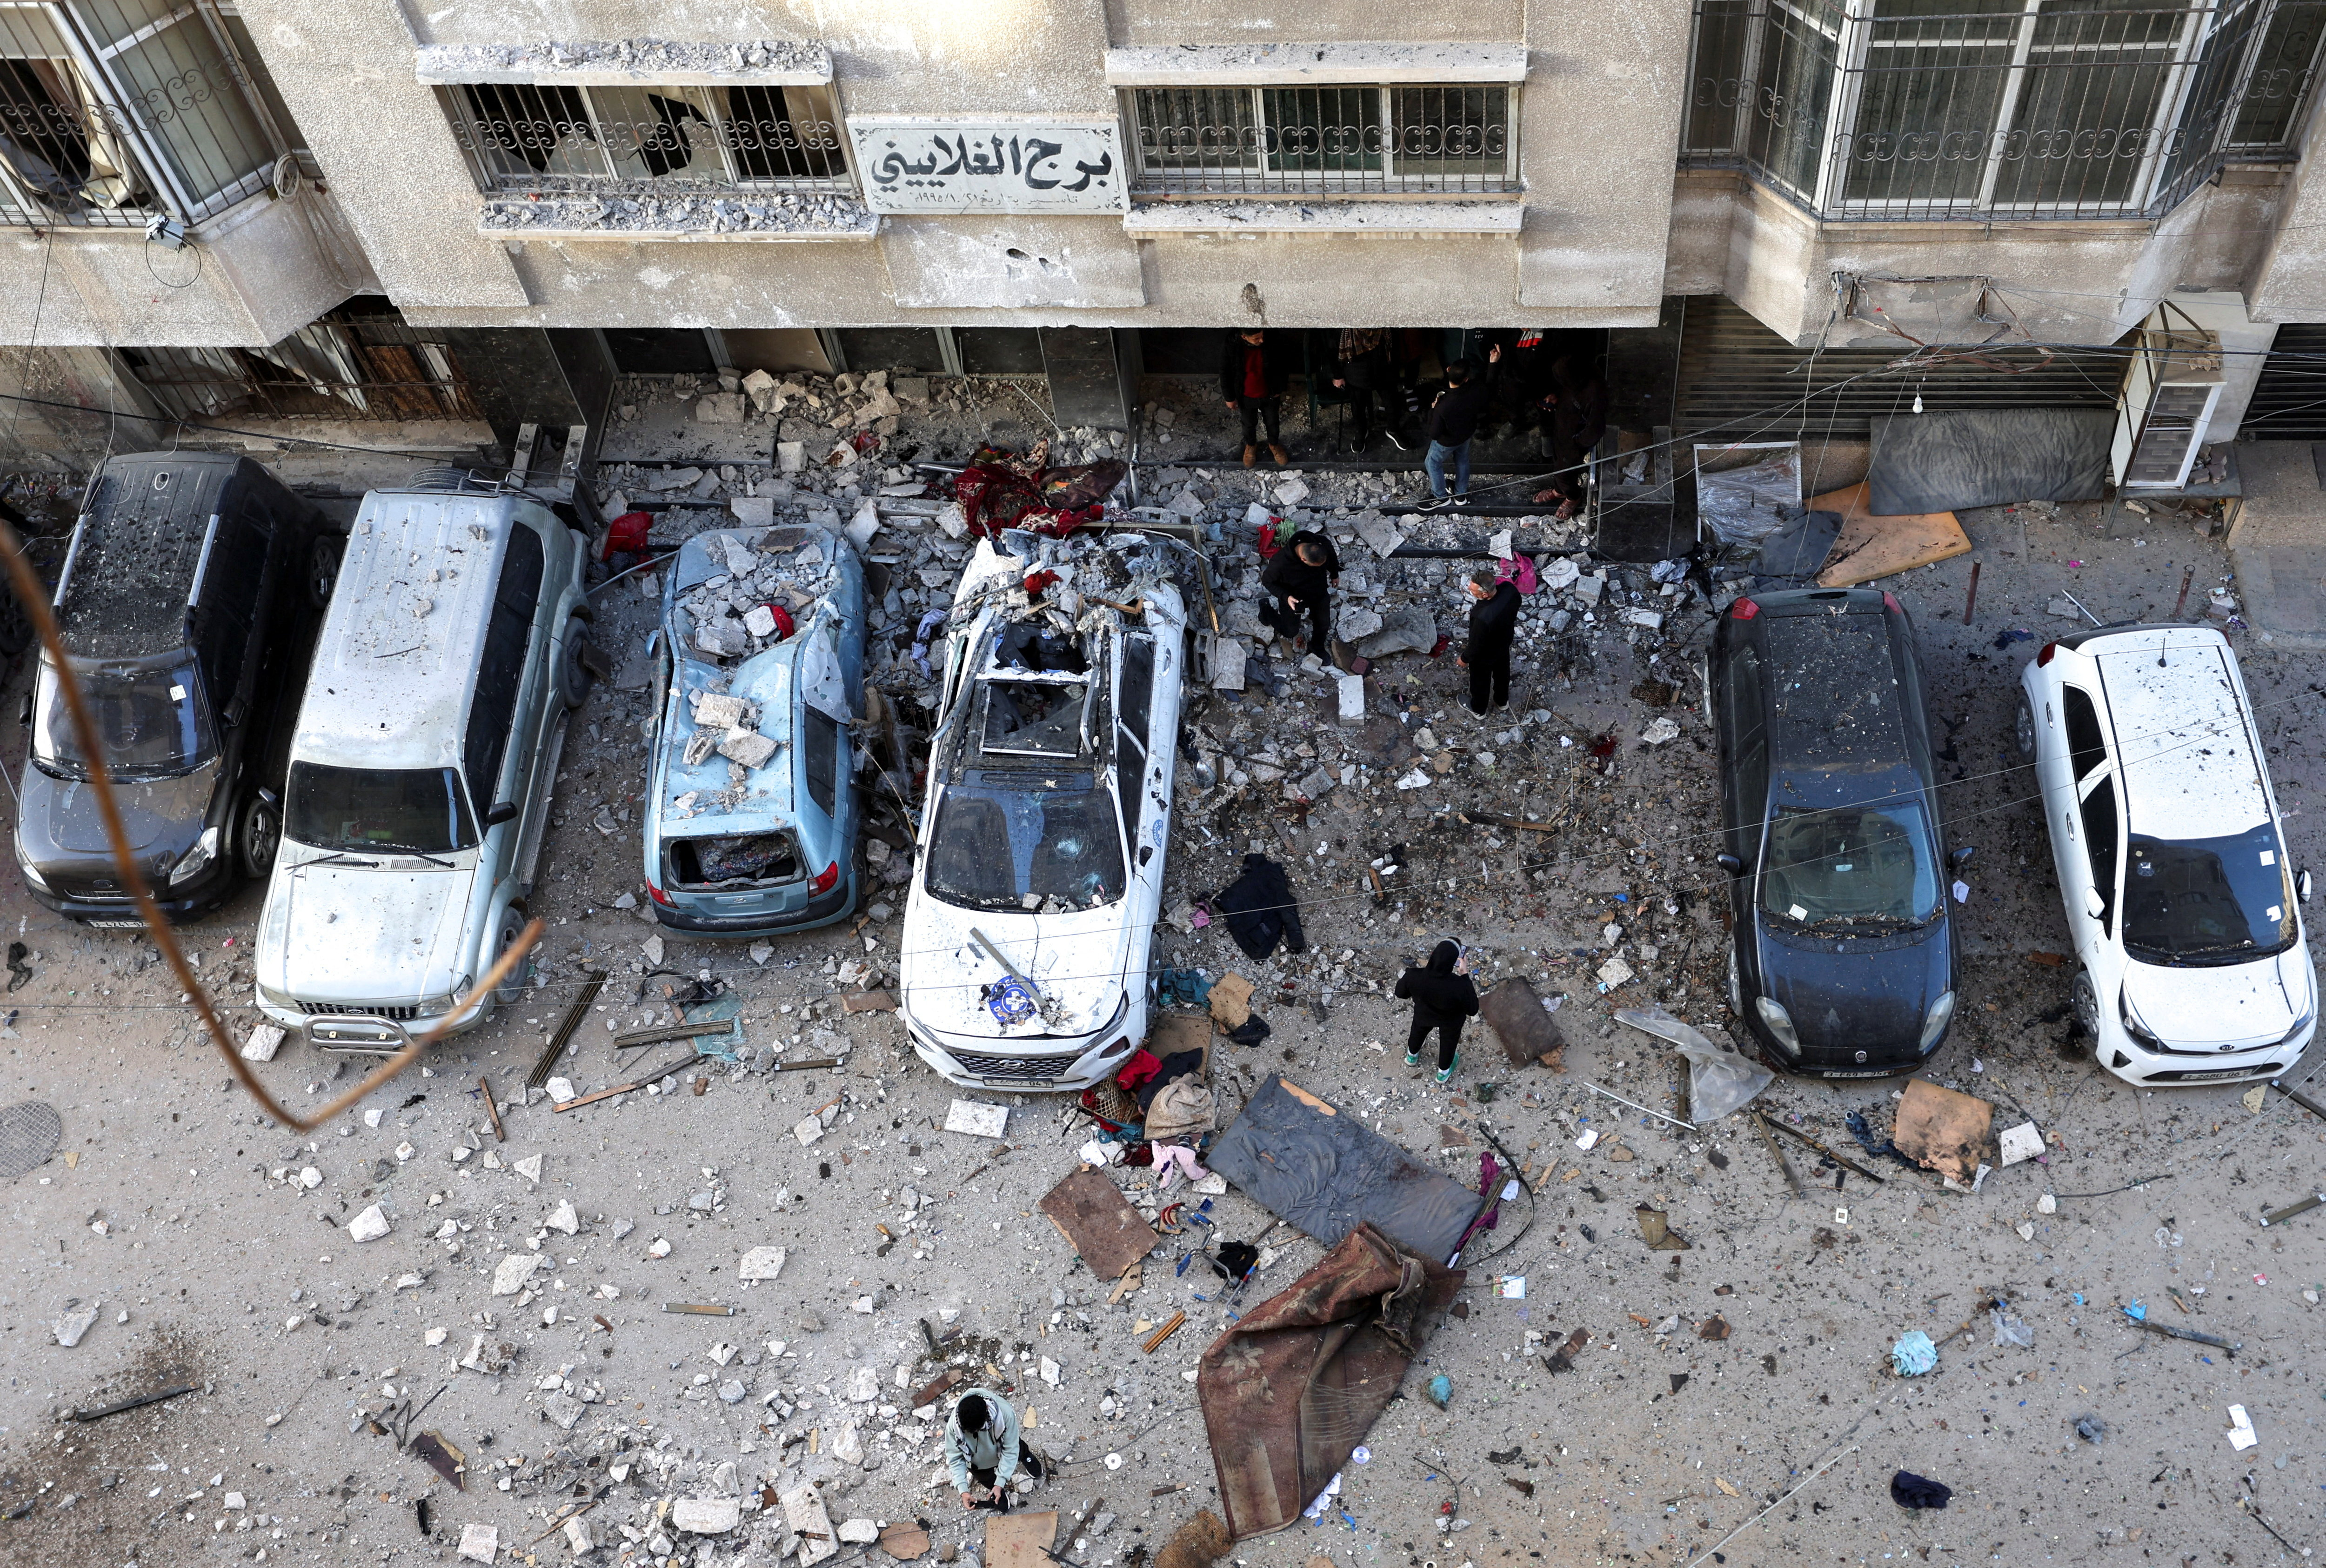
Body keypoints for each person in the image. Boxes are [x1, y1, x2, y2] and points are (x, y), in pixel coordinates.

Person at [1419, 344, 1500, 511]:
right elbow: (1490, 386)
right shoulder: (1476, 390)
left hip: (1447, 441)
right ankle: (1460, 494)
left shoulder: (1443, 406)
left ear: (1448, 370)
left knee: (1432, 463)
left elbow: (1434, 433)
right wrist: (1493, 363)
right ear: (1466, 379)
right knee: (1462, 461)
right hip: (1466, 434)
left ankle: (1440, 497)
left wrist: (1432, 411)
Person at [1529, 355, 1610, 519]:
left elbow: (1596, 430)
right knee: (1558, 462)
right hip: (1563, 427)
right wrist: (1556, 397)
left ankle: (1573, 497)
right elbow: (1566, 389)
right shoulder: (1576, 373)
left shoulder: (1595, 395)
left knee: (1565, 472)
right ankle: (1559, 491)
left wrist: (1576, 443)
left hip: (1575, 440)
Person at [944, 1389, 1046, 1511]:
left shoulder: (1004, 1413)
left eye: (980, 1429)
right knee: (986, 1479)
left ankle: (1026, 1457)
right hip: (977, 1463)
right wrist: (963, 1491)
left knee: (1019, 1449)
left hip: (1001, 1445)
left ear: (987, 1409)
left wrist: (1001, 1480)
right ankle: (997, 1492)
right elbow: (956, 1459)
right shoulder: (953, 1427)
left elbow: (1011, 1449)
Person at [1396, 940, 1479, 1085]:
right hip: (1451, 1021)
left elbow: (1400, 993)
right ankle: (1442, 1074)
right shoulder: (1460, 986)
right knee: (1448, 1043)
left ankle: (1412, 1056)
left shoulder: (1413, 975)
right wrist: (1465, 975)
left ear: (1433, 955)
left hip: (1424, 1014)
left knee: (1418, 1032)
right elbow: (1473, 1010)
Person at [1258, 529, 1340, 654]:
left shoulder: (1323, 544)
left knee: (1324, 623)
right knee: (1290, 632)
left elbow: (1332, 559)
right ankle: (1266, 610)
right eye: (1316, 566)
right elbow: (1267, 581)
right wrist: (1286, 597)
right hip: (1294, 597)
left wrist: (1335, 574)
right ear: (1304, 560)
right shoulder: (1280, 562)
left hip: (1318, 591)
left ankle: (1317, 647)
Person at [1219, 328, 1290, 468]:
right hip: (1246, 395)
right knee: (1248, 424)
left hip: (1269, 393)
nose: (1261, 340)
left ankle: (1274, 445)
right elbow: (1225, 371)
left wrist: (1279, 388)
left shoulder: (1272, 340)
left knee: (1272, 421)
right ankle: (1251, 446)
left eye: (1262, 336)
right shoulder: (1232, 345)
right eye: (1256, 339)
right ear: (1244, 337)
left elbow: (1283, 364)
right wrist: (1230, 398)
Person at [1457, 566, 1520, 715]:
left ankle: (1479, 710)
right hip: (1504, 643)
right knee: (1502, 673)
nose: (1469, 589)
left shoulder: (1482, 616)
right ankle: (1502, 701)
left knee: (1480, 681)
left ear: (1485, 595)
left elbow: (1476, 643)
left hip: (1484, 654)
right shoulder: (1510, 590)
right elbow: (1517, 604)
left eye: (1472, 590)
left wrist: (1465, 658)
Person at [1330, 328, 1402, 452]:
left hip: (1382, 365)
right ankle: (1361, 432)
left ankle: (1393, 429)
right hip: (1356, 368)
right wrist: (1338, 375)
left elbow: (1394, 339)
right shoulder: (1344, 328)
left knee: (1392, 402)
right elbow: (1332, 345)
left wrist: (1395, 367)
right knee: (1358, 406)